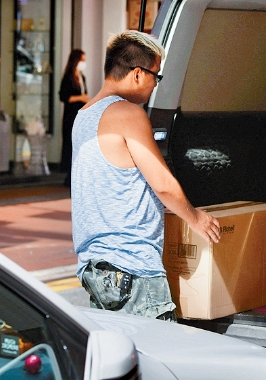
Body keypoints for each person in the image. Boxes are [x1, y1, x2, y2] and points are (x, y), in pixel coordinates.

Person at [72, 30, 222, 321]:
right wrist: (196, 218)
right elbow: (163, 184)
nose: (156, 84)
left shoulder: (84, 116)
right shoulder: (128, 113)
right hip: (132, 269)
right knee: (156, 360)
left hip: (97, 269)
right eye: (157, 75)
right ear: (138, 74)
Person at [59, 49, 89, 186]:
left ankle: (74, 175)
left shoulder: (82, 78)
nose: (84, 63)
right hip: (70, 116)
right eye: (82, 60)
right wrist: (80, 98)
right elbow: (63, 96)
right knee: (70, 145)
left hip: (80, 115)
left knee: (79, 146)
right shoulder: (68, 77)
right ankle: (69, 176)